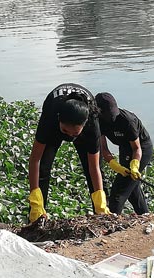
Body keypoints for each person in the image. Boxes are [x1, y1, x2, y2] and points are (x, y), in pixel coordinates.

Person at [28, 83, 110, 223]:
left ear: (84, 126)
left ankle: (102, 215)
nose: (71, 136)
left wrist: (100, 203)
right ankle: (37, 217)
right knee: (43, 169)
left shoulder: (91, 124)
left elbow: (94, 167)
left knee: (95, 173)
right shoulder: (51, 117)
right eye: (66, 131)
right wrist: (35, 197)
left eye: (75, 133)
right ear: (59, 119)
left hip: (82, 126)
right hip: (55, 124)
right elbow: (35, 159)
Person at [95, 92, 152, 215]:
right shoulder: (98, 121)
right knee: (131, 189)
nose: (112, 117)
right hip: (124, 148)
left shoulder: (127, 120)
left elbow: (137, 148)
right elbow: (103, 148)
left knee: (118, 194)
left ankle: (112, 225)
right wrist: (114, 164)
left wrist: (135, 165)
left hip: (142, 148)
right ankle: (145, 216)